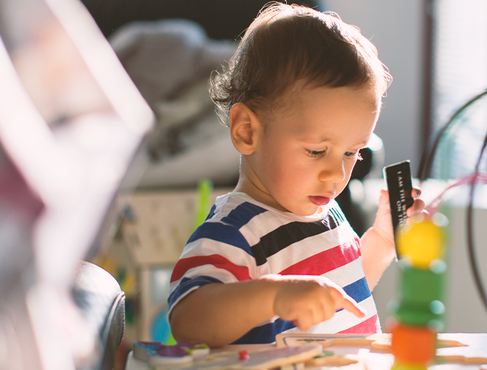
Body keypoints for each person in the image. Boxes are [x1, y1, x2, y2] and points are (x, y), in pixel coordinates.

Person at [167, 2, 425, 347]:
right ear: (247, 132)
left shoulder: (326, 213)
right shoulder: (235, 232)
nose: (336, 173)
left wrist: (381, 241)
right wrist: (274, 296)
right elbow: (188, 319)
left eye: (352, 153)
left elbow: (346, 288)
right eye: (317, 151)